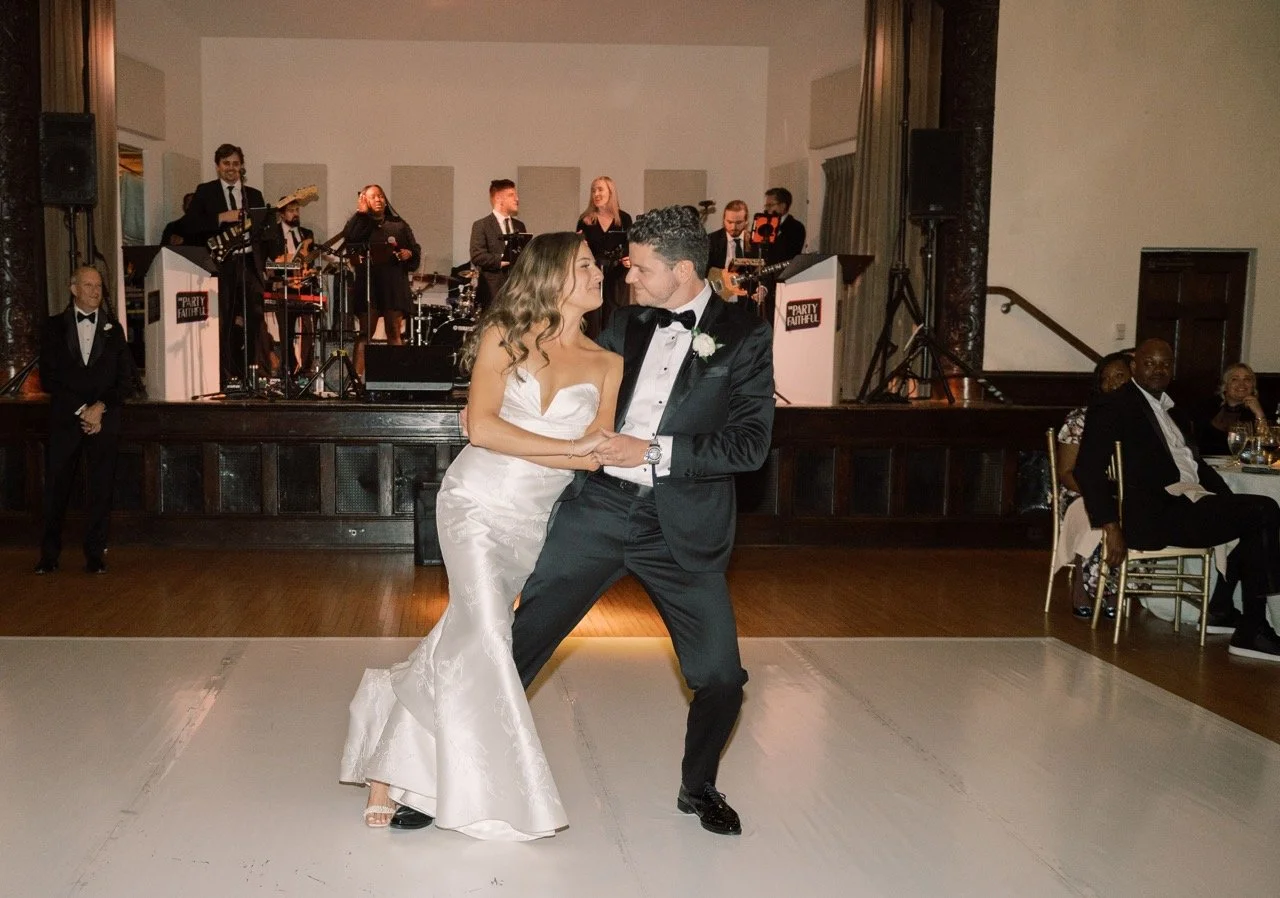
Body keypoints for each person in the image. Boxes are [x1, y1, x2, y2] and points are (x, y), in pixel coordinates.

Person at [341, 232, 623, 839]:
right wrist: (572, 450)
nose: (599, 273)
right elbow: (484, 431)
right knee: (490, 634)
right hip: (472, 503)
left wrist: (580, 453)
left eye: (597, 265)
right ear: (550, 275)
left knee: (461, 635)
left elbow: (597, 454)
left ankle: (386, 765)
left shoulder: (608, 363)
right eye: (583, 265)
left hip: (528, 523)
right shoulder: (504, 336)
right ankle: (493, 793)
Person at [510, 205, 776, 836]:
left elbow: (749, 446)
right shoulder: (626, 323)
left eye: (641, 266)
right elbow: (567, 378)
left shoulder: (743, 333)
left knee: (720, 677)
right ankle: (448, 772)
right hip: (597, 510)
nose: (627, 275)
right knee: (515, 647)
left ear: (683, 270)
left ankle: (699, 784)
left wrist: (654, 451)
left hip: (679, 526)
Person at [1075, 338, 1280, 660]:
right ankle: (1247, 624)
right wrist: (1110, 527)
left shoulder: (1175, 411)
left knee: (1258, 514)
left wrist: (1224, 501)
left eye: (1165, 364)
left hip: (1192, 503)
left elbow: (1195, 465)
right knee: (1264, 510)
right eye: (1150, 362)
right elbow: (1087, 469)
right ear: (1133, 367)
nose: (1158, 369)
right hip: (1157, 513)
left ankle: (1232, 615)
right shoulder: (1114, 406)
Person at [34, 267, 136, 575]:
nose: (95, 291)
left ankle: (95, 555)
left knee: (101, 488)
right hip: (67, 419)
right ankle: (49, 556)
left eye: (99, 285)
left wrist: (100, 408)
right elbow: (49, 379)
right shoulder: (53, 327)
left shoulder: (113, 329)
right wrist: (82, 410)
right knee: (56, 488)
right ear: (73, 289)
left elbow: (125, 381)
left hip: (104, 420)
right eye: (88, 285)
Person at [180, 144, 267, 387]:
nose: (231, 168)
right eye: (226, 163)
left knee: (254, 318)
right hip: (222, 265)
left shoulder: (254, 195)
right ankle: (222, 377)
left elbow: (264, 231)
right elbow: (189, 225)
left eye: (236, 163)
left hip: (249, 263)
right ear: (218, 166)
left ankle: (250, 375)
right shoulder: (205, 192)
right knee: (223, 320)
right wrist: (221, 217)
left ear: (242, 166)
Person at [1055, 352, 1131, 617]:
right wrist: (1097, 493)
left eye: (1119, 377)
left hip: (1126, 495)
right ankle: (1086, 587)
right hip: (1079, 491)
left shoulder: (1142, 422)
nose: (1111, 384)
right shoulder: (1079, 420)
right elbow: (1066, 473)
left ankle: (1121, 588)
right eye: (1105, 379)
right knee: (1095, 517)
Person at [341, 185, 420, 356]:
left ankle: (395, 378)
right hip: (368, 285)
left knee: (394, 331)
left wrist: (409, 254)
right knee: (365, 334)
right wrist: (360, 214)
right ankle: (356, 380)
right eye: (373, 197)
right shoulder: (359, 222)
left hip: (393, 285)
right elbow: (349, 238)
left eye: (381, 196)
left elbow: (414, 250)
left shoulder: (398, 224)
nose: (378, 199)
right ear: (364, 200)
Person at [260, 199, 317, 376]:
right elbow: (267, 262)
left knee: (308, 328)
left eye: (297, 210)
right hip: (283, 287)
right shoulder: (272, 234)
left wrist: (308, 272)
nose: (296, 214)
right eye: (291, 210)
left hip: (305, 287)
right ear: (281, 214)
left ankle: (306, 368)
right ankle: (289, 368)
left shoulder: (307, 234)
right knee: (286, 331)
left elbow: (311, 261)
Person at [576, 175, 633, 335]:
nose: (596, 194)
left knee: (614, 314)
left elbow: (631, 245)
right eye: (593, 190)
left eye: (600, 189)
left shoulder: (624, 218)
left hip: (617, 273)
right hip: (593, 273)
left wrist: (629, 258)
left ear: (611, 193)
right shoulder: (585, 220)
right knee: (593, 316)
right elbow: (579, 247)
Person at [470, 179, 525, 311]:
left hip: (517, 292)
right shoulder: (481, 225)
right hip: (492, 292)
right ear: (499, 199)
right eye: (511, 195)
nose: (517, 199)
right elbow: (477, 255)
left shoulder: (519, 226)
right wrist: (502, 259)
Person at [1199, 362, 1268, 457]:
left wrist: (1259, 414)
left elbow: (1265, 448)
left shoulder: (1263, 409)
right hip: (1206, 465)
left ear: (1253, 386)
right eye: (1235, 379)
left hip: (1241, 467)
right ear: (1225, 386)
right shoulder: (1208, 407)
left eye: (1247, 379)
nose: (1242, 384)